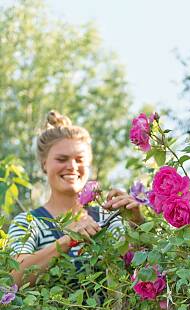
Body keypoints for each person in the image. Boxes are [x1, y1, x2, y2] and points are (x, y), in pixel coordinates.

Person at [8, 111, 143, 287]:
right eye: (61, 159)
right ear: (44, 163)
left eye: (79, 159)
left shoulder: (107, 218)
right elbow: (13, 279)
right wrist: (68, 240)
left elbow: (136, 270)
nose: (72, 166)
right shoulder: (28, 223)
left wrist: (138, 225)